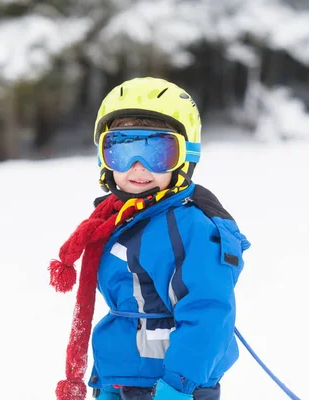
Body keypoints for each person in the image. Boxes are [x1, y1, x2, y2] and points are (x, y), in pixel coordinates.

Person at [49, 77, 251, 400]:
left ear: (185, 157)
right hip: (120, 379)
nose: (137, 167)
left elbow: (209, 314)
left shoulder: (191, 228)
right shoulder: (117, 220)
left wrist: (177, 386)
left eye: (157, 152)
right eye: (122, 150)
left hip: (173, 387)